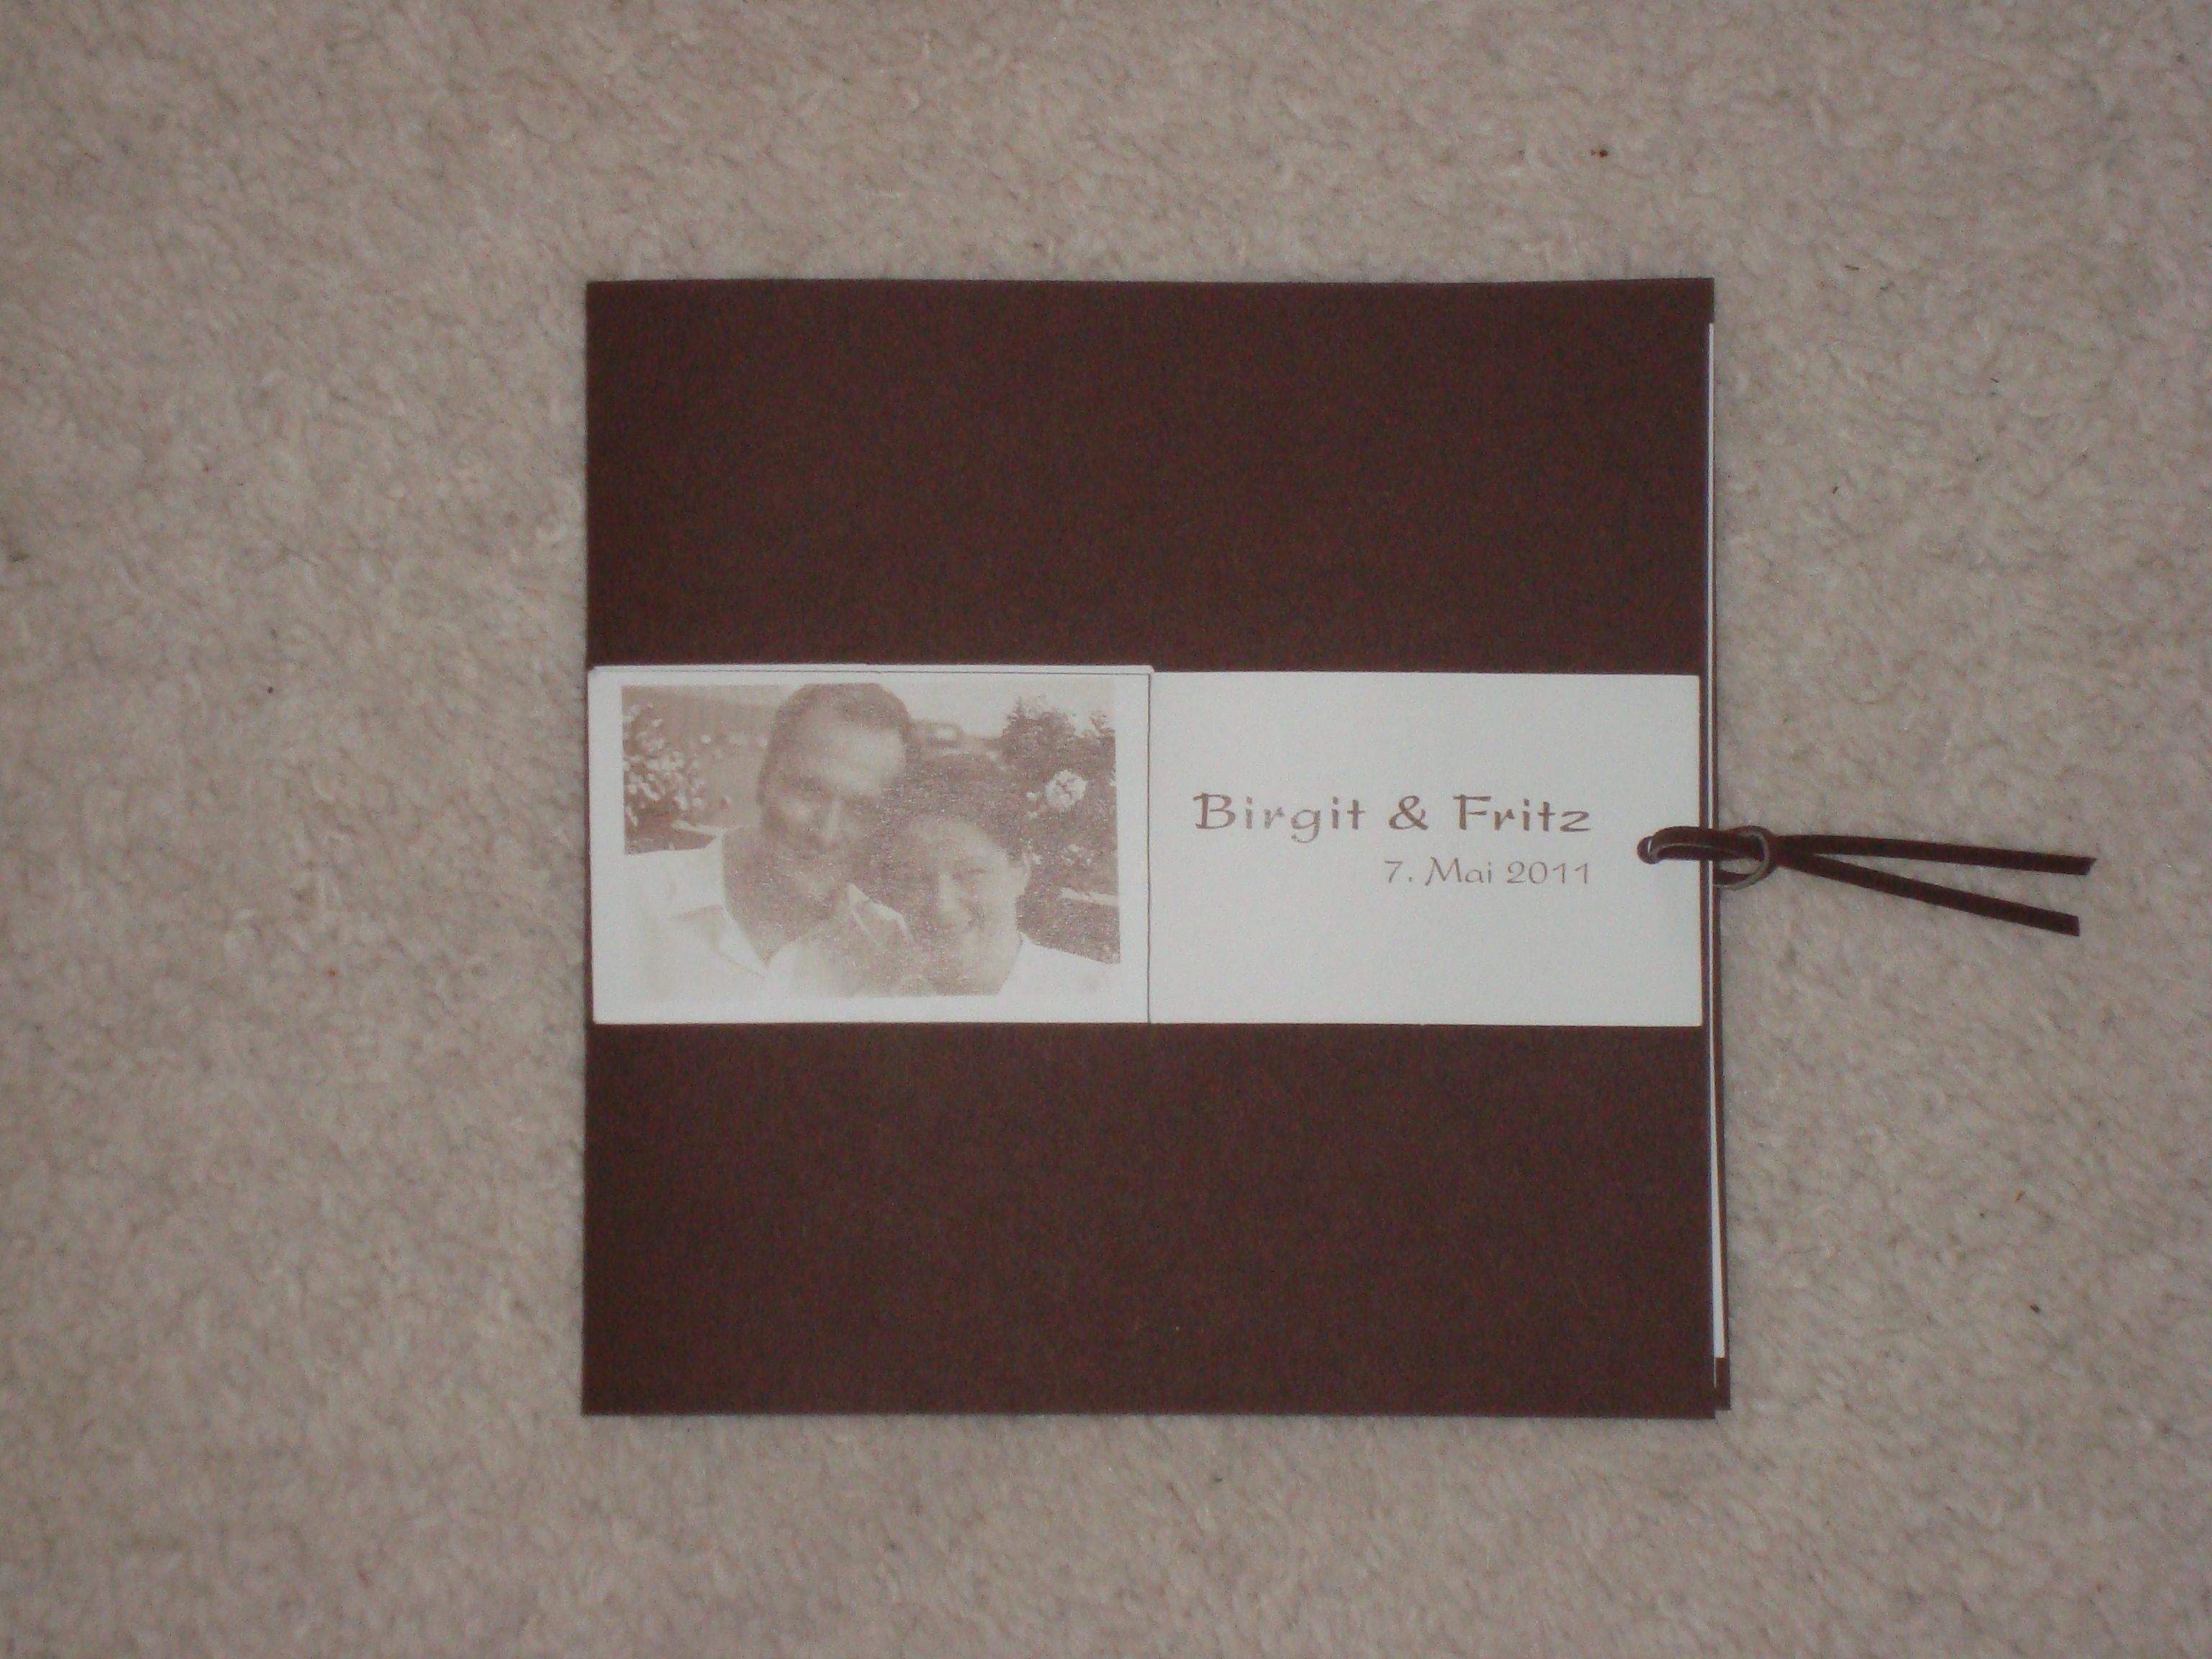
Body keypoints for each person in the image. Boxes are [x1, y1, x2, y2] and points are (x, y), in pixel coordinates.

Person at [617, 684, 913, 1003]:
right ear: (764, 778)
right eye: (810, 792)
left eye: (861, 809)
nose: (826, 834)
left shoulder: (889, 946)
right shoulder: (627, 898)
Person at [866, 755, 1112, 997]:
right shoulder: (874, 998)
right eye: (916, 879)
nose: (942, 906)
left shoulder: (1098, 993)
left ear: (1020, 872)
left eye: (970, 874)